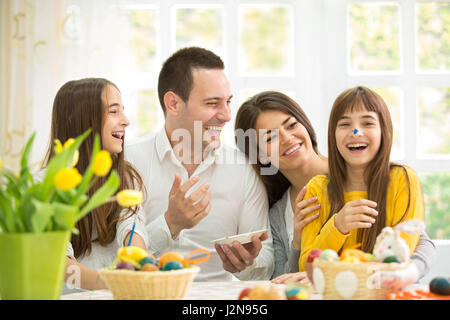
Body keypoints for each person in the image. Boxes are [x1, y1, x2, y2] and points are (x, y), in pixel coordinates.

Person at [234, 90, 435, 283]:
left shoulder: (366, 172)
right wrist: (298, 242)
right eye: (270, 138)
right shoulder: (279, 212)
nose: (287, 138)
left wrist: (403, 271)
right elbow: (285, 280)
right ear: (259, 154)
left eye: (292, 125)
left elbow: (418, 241)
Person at [125, 47, 274, 281]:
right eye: (213, 103)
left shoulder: (242, 167)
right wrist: (170, 224)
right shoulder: (130, 162)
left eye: (228, 102)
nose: (226, 115)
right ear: (173, 103)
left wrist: (246, 264)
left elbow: (266, 256)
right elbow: (116, 261)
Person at [298, 86, 427, 272]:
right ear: (332, 134)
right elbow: (306, 267)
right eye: (344, 124)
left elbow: (398, 259)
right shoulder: (317, 188)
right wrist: (337, 226)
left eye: (367, 123)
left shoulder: (403, 179)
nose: (356, 132)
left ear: (384, 131)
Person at [41, 78, 147, 290]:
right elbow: (59, 264)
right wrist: (112, 284)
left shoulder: (124, 177)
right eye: (113, 111)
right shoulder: (44, 187)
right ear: (76, 119)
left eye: (122, 110)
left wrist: (138, 266)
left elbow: (132, 227)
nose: (126, 121)